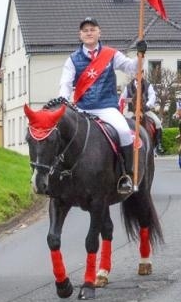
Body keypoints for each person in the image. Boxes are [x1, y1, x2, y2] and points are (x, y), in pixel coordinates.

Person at [54, 18, 140, 197]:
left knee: (124, 132)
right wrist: (63, 101)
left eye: (92, 29)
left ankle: (126, 175)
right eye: (85, 30)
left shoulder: (111, 54)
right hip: (82, 108)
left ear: (99, 32)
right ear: (80, 35)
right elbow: (66, 83)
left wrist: (140, 55)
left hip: (106, 107)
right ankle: (57, 176)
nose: (89, 33)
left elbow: (131, 69)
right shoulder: (72, 59)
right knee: (60, 135)